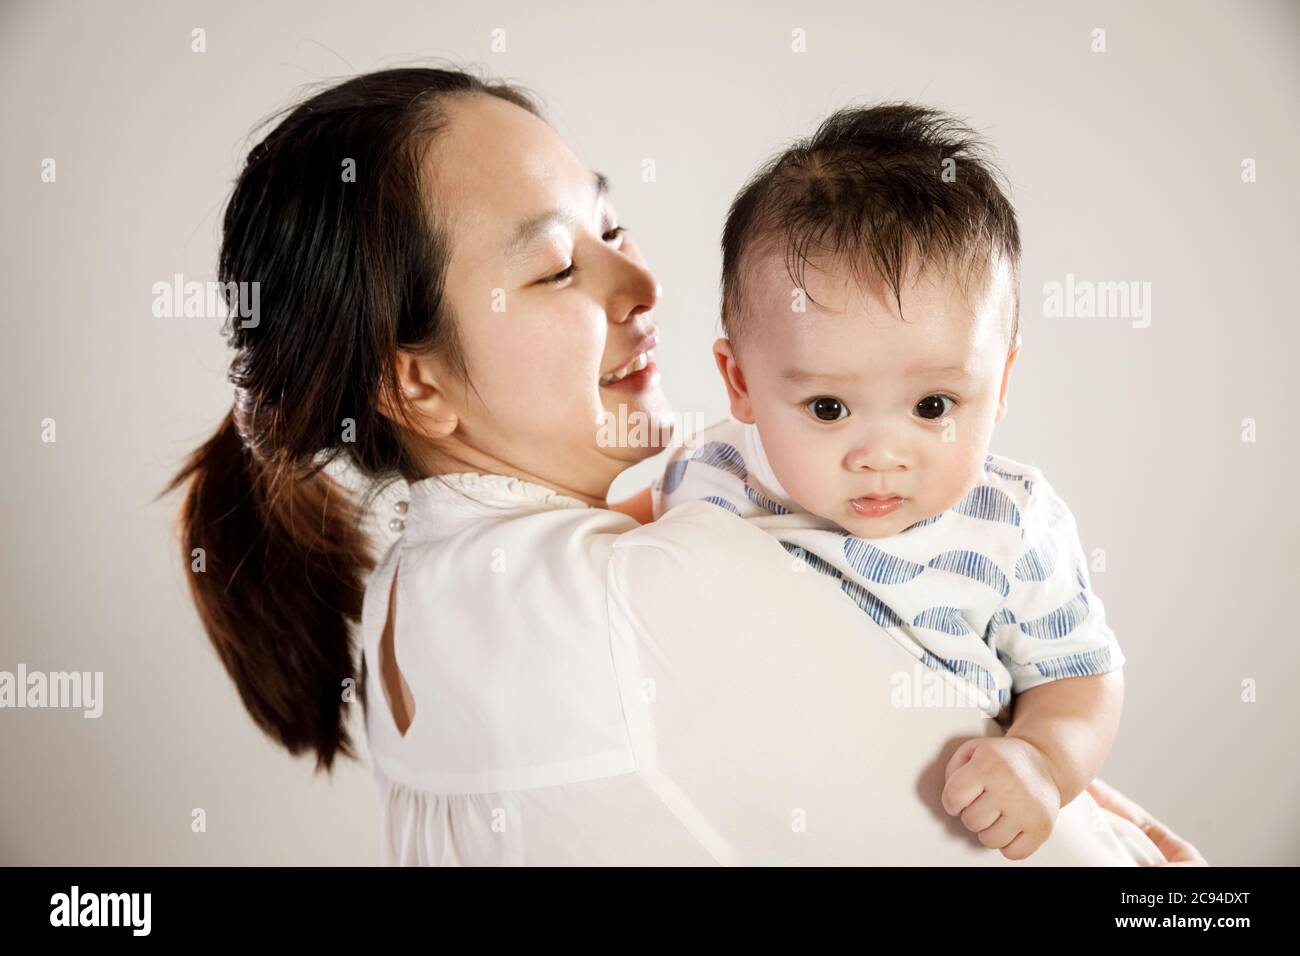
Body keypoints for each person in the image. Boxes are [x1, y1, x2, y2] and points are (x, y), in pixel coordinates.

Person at [167, 65, 1204, 866]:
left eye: (610, 225)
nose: (642, 280)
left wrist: (1039, 752)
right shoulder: (656, 588)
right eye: (557, 265)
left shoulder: (409, 590)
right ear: (417, 385)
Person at [646, 105, 1125, 860]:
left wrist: (1040, 759)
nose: (880, 456)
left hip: (951, 831)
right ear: (740, 383)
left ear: (999, 383)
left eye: (933, 406)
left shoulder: (1011, 524)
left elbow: (1081, 680)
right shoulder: (710, 477)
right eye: (828, 408)